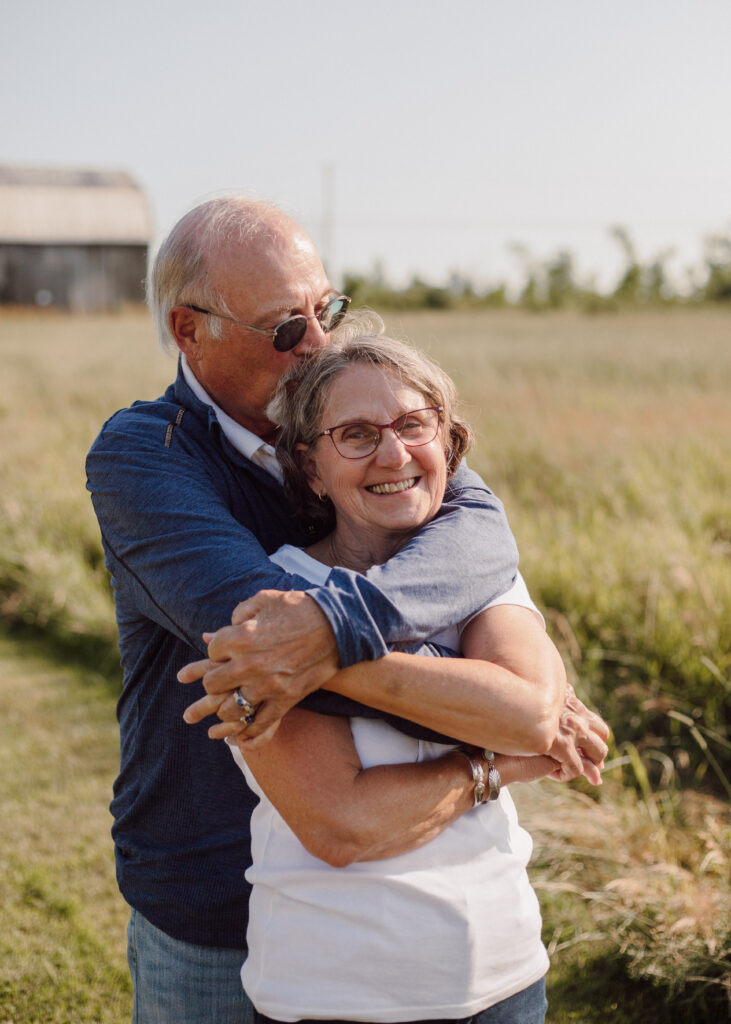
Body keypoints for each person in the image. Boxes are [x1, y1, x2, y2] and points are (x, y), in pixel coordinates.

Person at [86, 195, 608, 1024]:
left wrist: (332, 627)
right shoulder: (145, 458)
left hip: (445, 933)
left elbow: (477, 533)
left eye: (325, 309)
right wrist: (501, 720)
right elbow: (260, 649)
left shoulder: (375, 426)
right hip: (210, 888)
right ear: (190, 330)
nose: (320, 343)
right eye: (285, 327)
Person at [193, 330, 599, 1024]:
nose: (393, 454)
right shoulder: (272, 604)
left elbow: (529, 713)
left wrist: (324, 649)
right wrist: (502, 767)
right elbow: (342, 826)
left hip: (506, 981)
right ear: (310, 466)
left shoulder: (480, 572)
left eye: (414, 425)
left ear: (448, 443)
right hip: (334, 993)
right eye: (355, 434)